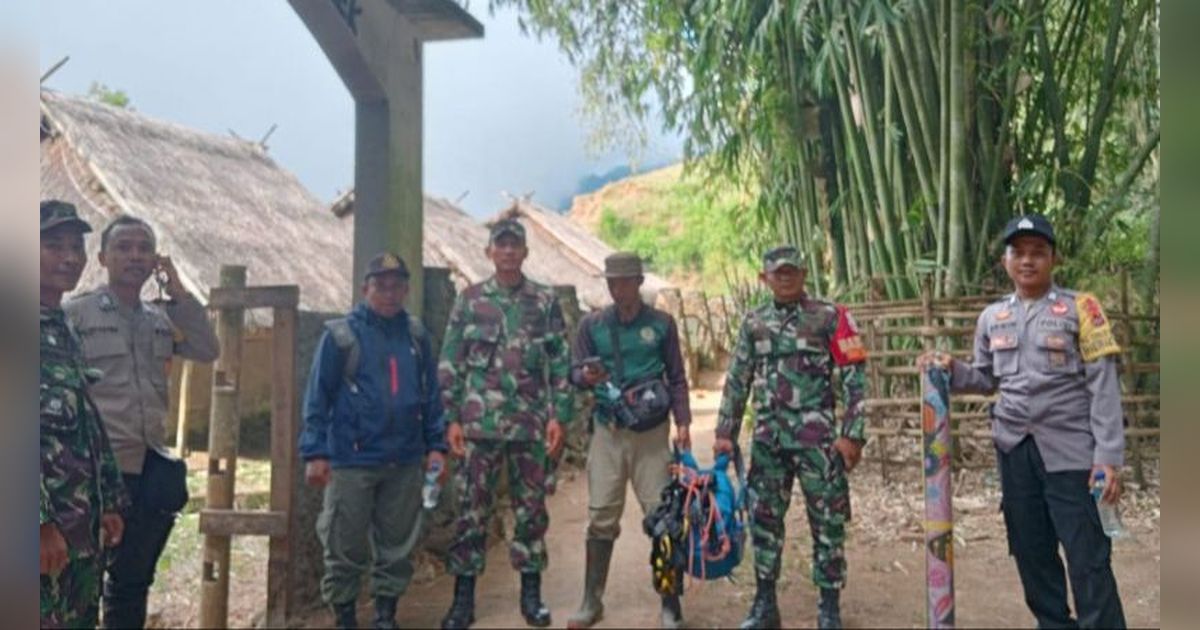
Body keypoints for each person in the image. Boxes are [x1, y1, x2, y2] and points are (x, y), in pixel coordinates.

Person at [918, 214, 1127, 628]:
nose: (1027, 261)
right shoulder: (992, 318)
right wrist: (951, 368)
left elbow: (1103, 385)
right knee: (1032, 554)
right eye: (1018, 252)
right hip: (1015, 450)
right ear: (1005, 261)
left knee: (1088, 558)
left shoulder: (1081, 309)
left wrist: (1108, 457)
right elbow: (985, 378)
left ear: (1053, 259)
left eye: (1038, 253)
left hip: (1073, 455)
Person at [65, 214, 220, 628]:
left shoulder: (160, 318)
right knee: (82, 581)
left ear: (156, 259)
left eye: (144, 248)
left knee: (133, 582)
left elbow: (207, 348)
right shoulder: (75, 315)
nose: (135, 256)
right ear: (102, 257)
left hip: (148, 469)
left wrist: (179, 291)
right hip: (95, 471)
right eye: (124, 247)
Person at [714, 245, 868, 630]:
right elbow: (737, 380)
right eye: (777, 272)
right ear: (763, 277)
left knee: (828, 524)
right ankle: (765, 605)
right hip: (769, 442)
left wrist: (853, 435)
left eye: (792, 271)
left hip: (819, 444)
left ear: (803, 274)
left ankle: (829, 607)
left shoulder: (831, 317)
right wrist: (724, 432)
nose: (785, 278)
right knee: (765, 523)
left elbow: (854, 376)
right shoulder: (753, 323)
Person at [299, 252, 448, 629]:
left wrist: (436, 446)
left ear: (407, 290)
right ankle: (345, 615)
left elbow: (431, 396)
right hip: (352, 460)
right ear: (365, 288)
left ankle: (385, 614)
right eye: (380, 285)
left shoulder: (416, 336)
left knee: (397, 544)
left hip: (404, 459)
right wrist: (315, 451)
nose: (389, 293)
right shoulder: (341, 336)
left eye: (397, 285)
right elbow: (317, 397)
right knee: (343, 544)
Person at [437, 219, 573, 629]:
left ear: (525, 253)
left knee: (530, 512)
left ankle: (531, 597)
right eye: (502, 245)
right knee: (471, 512)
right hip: (478, 428)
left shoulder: (544, 302)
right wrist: (451, 419)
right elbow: (450, 362)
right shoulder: (470, 301)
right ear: (489, 252)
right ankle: (463, 601)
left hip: (529, 426)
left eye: (516, 246)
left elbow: (561, 364)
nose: (509, 252)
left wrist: (558, 416)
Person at [565, 252, 692, 629]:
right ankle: (591, 600)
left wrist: (683, 422)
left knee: (663, 518)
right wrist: (584, 377)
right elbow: (573, 372)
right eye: (611, 281)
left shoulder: (662, 324)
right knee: (601, 515)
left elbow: (678, 376)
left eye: (623, 280)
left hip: (652, 435)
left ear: (638, 281)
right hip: (609, 431)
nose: (616, 287)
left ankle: (671, 603)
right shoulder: (593, 326)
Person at [40, 200, 128, 628]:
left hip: (79, 529)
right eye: (54, 246)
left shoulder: (64, 327)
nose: (70, 257)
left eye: (76, 247)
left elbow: (85, 423)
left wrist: (108, 500)